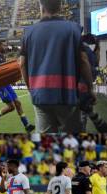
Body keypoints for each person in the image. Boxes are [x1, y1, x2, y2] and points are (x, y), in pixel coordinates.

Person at [19, 0, 95, 133]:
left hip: (41, 95)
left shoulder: (28, 32)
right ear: (60, 6)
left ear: (40, 5)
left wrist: (30, 88)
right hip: (67, 94)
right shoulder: (73, 28)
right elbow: (83, 60)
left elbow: (22, 64)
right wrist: (90, 88)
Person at [0, 39, 34, 132]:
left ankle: (27, 125)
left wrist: (11, 79)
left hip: (6, 84)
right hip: (0, 85)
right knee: (11, 107)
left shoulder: (3, 57)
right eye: (4, 45)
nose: (6, 47)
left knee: (18, 103)